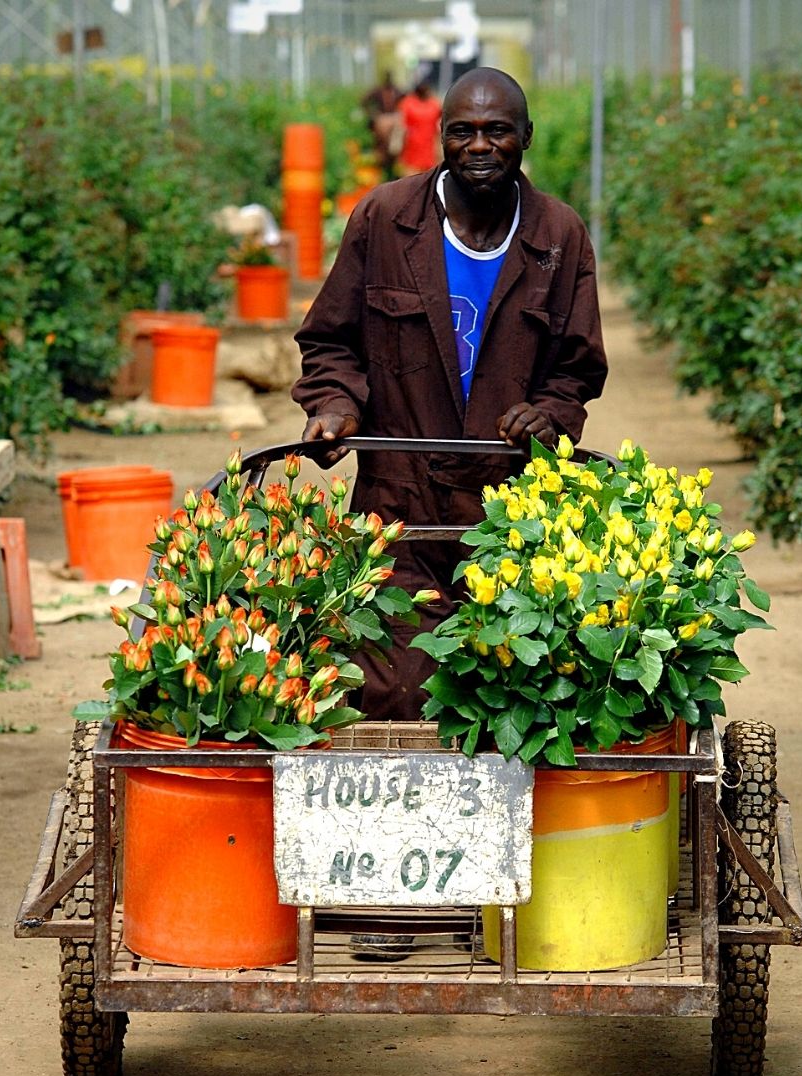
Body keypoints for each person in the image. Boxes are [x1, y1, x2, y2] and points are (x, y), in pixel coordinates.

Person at [293, 66, 607, 960]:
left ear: (525, 139)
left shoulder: (556, 236)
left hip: (512, 516)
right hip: (399, 496)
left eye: (498, 132)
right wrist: (337, 406)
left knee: (503, 684)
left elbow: (577, 369)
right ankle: (400, 903)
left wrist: (548, 416)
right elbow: (331, 340)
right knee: (393, 685)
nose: (480, 146)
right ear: (442, 138)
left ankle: (492, 891)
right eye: (465, 132)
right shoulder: (383, 221)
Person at [361, 71, 403, 181]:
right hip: (382, 118)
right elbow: (364, 100)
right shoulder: (378, 90)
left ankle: (395, 161)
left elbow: (405, 101)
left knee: (397, 141)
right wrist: (373, 114)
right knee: (381, 145)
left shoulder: (396, 91)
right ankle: (382, 165)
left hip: (394, 118)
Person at [396, 77, 443, 175]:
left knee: (428, 177)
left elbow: (439, 125)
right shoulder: (408, 102)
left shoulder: (434, 104)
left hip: (429, 147)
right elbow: (401, 125)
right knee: (411, 179)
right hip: (411, 147)